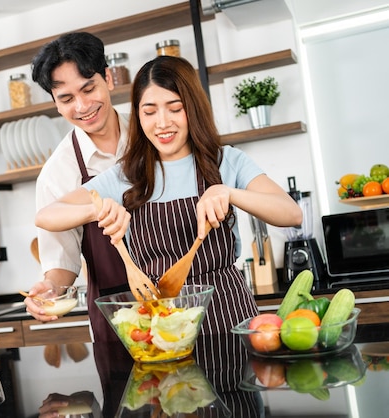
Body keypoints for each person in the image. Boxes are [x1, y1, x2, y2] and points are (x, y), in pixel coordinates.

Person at [35, 55, 302, 367]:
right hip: (162, 329)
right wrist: (97, 209)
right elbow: (47, 216)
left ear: (193, 108)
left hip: (228, 315)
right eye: (149, 112)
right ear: (138, 115)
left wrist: (230, 192)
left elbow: (291, 214)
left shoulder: (226, 161)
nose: (162, 123)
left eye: (175, 108)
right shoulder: (125, 176)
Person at [24, 32, 131, 343]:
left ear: (108, 78)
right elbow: (62, 266)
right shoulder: (57, 175)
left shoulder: (151, 131)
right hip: (118, 322)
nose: (83, 106)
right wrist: (51, 290)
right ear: (56, 104)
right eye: (67, 99)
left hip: (183, 304)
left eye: (89, 89)